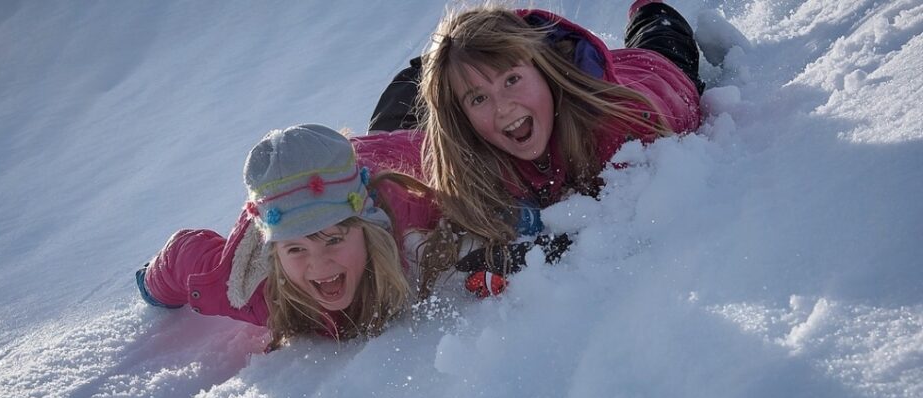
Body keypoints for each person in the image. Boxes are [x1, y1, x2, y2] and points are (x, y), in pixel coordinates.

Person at [377, 1, 704, 293]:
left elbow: (624, 222)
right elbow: (395, 165)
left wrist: (542, 251)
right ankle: (450, 69)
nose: (502, 107)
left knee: (660, 31)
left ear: (544, 72)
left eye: (511, 80)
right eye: (478, 98)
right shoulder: (475, 149)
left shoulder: (617, 128)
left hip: (655, 70)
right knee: (409, 101)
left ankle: (649, 9)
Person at [136, 124, 439, 350]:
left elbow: (447, 158)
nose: (318, 264)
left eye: (333, 239)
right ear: (274, 254)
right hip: (297, 194)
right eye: (295, 249)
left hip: (394, 150)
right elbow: (183, 256)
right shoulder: (249, 287)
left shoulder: (407, 211)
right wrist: (152, 285)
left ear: (366, 229)